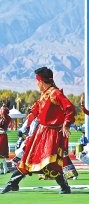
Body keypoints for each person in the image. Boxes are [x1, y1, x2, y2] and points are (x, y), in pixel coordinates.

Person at [1, 66, 75, 194]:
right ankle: (13, 183)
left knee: (49, 160)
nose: (36, 84)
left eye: (37, 81)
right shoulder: (45, 94)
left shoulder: (55, 93)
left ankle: (64, 186)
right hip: (40, 132)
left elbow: (70, 108)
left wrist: (67, 124)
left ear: (41, 81)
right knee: (28, 158)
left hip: (51, 133)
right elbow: (39, 108)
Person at [0, 99, 11, 175]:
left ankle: (2, 169)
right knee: (2, 154)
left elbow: (3, 111)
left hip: (2, 135)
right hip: (2, 135)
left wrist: (4, 107)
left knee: (1, 153)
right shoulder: (4, 118)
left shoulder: (6, 118)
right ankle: (5, 168)